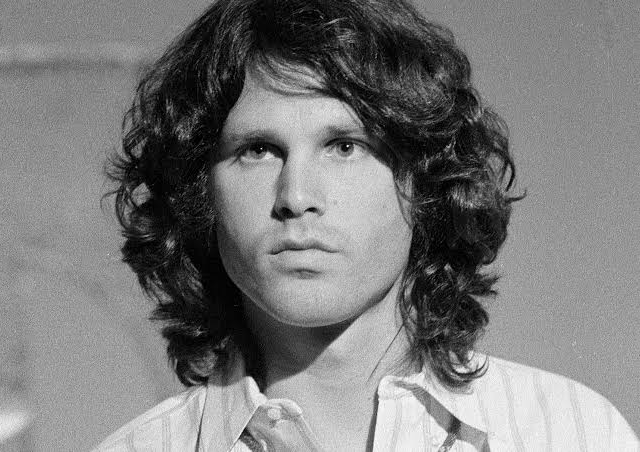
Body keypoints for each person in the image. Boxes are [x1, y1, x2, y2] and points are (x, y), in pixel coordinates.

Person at [95, 0, 638, 450]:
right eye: (258, 150)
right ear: (199, 194)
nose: (296, 197)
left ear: (424, 181)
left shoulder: (574, 434)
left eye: (344, 146)